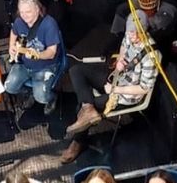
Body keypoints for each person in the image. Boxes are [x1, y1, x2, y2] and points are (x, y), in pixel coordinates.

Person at [61, 10, 160, 163]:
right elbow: (123, 48)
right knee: (76, 70)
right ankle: (88, 108)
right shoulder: (129, 35)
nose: (133, 36)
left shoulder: (151, 56)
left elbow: (144, 89)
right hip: (117, 78)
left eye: (137, 33)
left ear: (144, 30)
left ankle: (78, 141)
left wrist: (115, 90)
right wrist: (120, 60)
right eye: (130, 32)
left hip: (127, 94)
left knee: (86, 104)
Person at [5, 0, 64, 116]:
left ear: (37, 9)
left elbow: (51, 53)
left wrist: (37, 55)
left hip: (45, 66)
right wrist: (11, 46)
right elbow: (13, 32)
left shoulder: (49, 24)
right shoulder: (19, 21)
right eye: (21, 12)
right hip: (24, 63)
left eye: (28, 12)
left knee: (41, 98)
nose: (24, 16)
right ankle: (29, 92)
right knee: (9, 87)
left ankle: (52, 98)